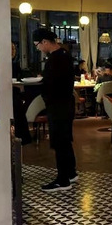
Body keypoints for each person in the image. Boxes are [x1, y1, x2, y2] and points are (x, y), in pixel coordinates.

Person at [32, 28, 77, 192]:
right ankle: (71, 173)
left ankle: (63, 180)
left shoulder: (56, 59)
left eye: (37, 44)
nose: (38, 48)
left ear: (44, 42)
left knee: (59, 142)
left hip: (58, 105)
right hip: (66, 103)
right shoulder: (64, 55)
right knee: (65, 140)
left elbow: (52, 84)